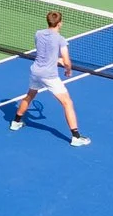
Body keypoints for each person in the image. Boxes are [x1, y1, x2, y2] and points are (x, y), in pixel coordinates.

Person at [10, 8, 90, 146]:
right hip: (49, 76)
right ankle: (76, 137)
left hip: (36, 71)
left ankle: (16, 122)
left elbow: (44, 52)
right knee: (67, 103)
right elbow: (66, 60)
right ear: (60, 23)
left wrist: (55, 60)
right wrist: (68, 70)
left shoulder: (38, 34)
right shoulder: (61, 40)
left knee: (30, 95)